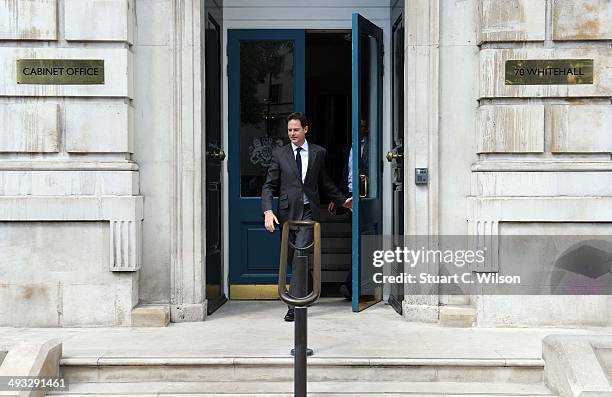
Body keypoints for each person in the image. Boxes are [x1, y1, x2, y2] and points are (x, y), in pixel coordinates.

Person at [261, 112, 353, 321]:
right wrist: (268, 210)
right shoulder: (279, 154)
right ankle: (307, 285)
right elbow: (269, 185)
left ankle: (294, 304)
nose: (292, 133)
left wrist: (341, 201)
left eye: (296, 130)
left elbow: (324, 181)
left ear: (305, 130)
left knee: (301, 256)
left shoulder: (318, 153)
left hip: (309, 211)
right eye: (289, 130)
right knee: (294, 258)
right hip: (287, 213)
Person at [328, 120, 369, 300]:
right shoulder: (348, 148)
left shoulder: (371, 146)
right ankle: (354, 286)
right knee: (357, 242)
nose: (358, 129)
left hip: (366, 198)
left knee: (362, 242)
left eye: (362, 126)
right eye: (356, 126)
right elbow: (345, 174)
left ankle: (352, 285)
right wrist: (338, 199)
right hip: (350, 198)